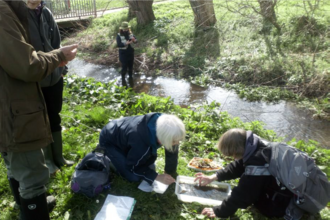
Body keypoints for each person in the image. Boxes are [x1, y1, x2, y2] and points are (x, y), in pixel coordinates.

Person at [0, 0, 78, 219]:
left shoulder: (31, 12)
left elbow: (50, 41)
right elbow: (27, 65)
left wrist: (58, 64)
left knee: (13, 158)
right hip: (14, 105)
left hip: (11, 101)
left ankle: (25, 204)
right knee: (31, 174)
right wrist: (58, 56)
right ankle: (32, 204)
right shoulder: (3, 13)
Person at [194, 128, 293, 219]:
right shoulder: (255, 144)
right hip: (284, 186)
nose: (233, 158)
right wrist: (213, 177)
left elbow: (243, 195)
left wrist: (219, 211)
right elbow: (238, 165)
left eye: (232, 155)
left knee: (261, 204)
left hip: (283, 202)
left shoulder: (257, 163)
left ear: (237, 152)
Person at [27, 0, 74, 175]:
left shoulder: (45, 12)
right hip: (34, 81)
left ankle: (59, 158)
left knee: (54, 117)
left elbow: (57, 44)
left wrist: (63, 69)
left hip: (54, 77)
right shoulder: (17, 16)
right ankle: (47, 162)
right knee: (40, 121)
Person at [99, 113, 186, 185]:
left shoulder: (166, 126)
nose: (177, 143)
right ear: (161, 138)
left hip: (123, 133)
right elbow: (133, 167)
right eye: (174, 141)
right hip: (109, 141)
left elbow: (172, 149)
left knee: (148, 167)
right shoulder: (141, 142)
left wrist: (169, 171)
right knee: (134, 177)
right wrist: (156, 177)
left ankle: (126, 153)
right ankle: (108, 158)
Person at [116, 21, 137, 87]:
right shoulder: (118, 35)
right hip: (123, 54)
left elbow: (136, 41)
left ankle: (130, 78)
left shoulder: (131, 33)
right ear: (121, 29)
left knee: (131, 66)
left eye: (126, 29)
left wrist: (134, 40)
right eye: (124, 29)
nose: (125, 30)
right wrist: (125, 43)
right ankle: (123, 80)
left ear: (128, 28)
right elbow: (119, 45)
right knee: (124, 67)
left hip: (130, 52)